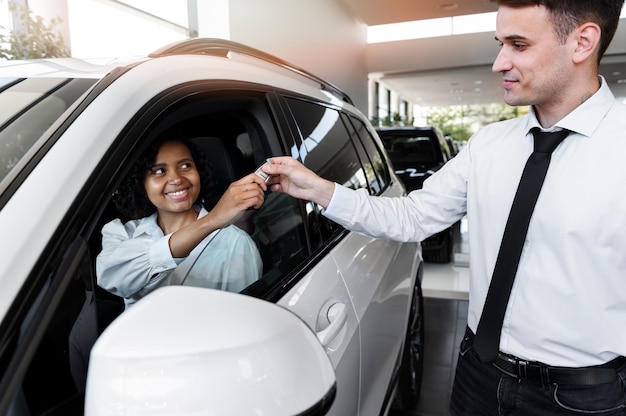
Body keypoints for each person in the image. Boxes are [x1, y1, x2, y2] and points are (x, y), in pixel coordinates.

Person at [261, 1, 626, 414]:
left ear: (582, 42)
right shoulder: (489, 146)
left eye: (518, 45)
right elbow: (412, 217)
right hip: (478, 374)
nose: (499, 62)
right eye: (500, 43)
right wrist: (319, 190)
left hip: (580, 397)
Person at [96, 134, 267, 309]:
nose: (177, 179)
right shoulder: (124, 234)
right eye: (159, 171)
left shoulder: (235, 243)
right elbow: (111, 279)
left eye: (185, 166)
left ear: (198, 172)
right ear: (141, 183)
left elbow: (243, 318)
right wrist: (212, 220)